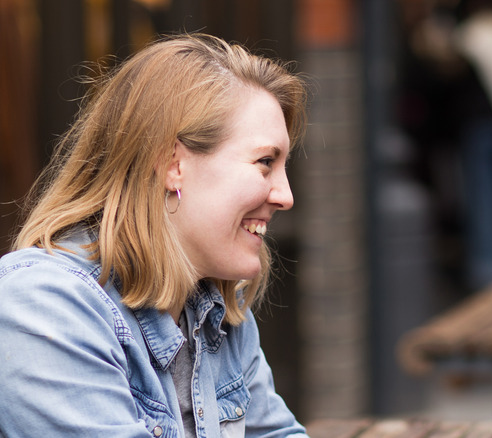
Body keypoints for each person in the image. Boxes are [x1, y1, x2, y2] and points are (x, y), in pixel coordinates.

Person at [0, 34, 309, 437]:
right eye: (265, 162)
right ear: (171, 163)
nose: (285, 196)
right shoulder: (44, 307)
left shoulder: (217, 310)